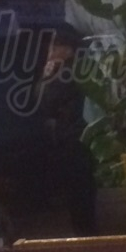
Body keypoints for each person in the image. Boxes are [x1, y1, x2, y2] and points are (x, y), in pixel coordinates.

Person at [38, 28, 97, 235]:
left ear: (68, 49)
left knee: (78, 193)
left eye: (55, 46)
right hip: (81, 136)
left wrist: (46, 77)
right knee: (83, 191)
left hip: (73, 138)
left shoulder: (66, 73)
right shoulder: (82, 68)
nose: (51, 51)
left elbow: (46, 104)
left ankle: (85, 236)